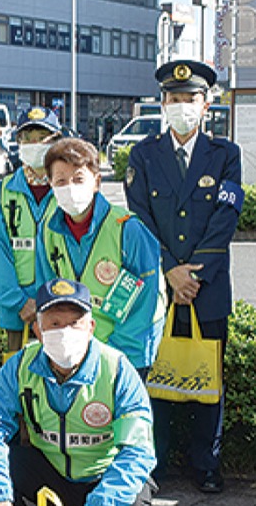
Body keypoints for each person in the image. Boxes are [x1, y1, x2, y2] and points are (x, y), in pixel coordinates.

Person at [0, 278, 156, 506]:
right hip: (50, 468)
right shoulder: (19, 366)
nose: (65, 332)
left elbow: (138, 449)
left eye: (75, 322)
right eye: (54, 323)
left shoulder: (118, 370)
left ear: (91, 327)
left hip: (101, 471)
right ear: (38, 330)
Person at [125, 59, 243, 493]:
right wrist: (169, 270)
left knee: (207, 376)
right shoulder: (143, 154)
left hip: (207, 286)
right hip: (160, 287)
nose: (181, 106)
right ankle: (154, 460)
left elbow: (227, 215)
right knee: (158, 374)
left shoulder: (226, 155)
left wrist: (193, 273)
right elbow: (138, 217)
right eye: (174, 99)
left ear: (206, 104)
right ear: (162, 104)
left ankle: (206, 462)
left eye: (190, 99)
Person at [37, 137, 164, 373]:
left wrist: (110, 354)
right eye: (61, 181)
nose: (70, 188)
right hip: (75, 349)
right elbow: (46, 288)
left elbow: (146, 299)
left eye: (78, 179)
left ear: (96, 181)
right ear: (51, 185)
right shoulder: (47, 229)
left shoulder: (127, 229)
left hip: (127, 348)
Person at [0, 107, 63, 352]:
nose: (34, 144)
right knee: (19, 377)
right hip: (18, 313)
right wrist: (17, 302)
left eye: (42, 138)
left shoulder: (67, 190)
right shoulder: (2, 192)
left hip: (63, 306)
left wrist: (64, 300)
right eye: (26, 139)